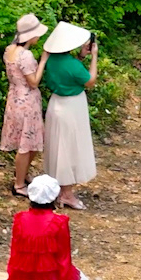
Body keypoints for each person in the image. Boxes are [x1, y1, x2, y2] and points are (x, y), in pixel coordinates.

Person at [0, 174, 92, 280]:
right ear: (54, 197)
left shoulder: (20, 219)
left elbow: (14, 252)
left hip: (24, 279)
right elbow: (63, 259)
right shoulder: (59, 222)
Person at [39, 21, 98, 210]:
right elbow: (90, 81)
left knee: (58, 147)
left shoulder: (52, 60)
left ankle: (58, 188)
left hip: (56, 103)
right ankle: (67, 193)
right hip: (72, 106)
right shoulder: (71, 64)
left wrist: (81, 57)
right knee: (71, 148)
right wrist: (93, 57)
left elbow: (69, 71)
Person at [2, 13, 49, 197]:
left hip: (14, 97)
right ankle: (19, 184)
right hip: (27, 101)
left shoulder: (10, 50)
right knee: (27, 143)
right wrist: (43, 60)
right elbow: (34, 82)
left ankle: (22, 174)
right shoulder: (26, 55)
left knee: (29, 141)